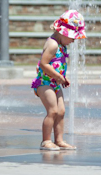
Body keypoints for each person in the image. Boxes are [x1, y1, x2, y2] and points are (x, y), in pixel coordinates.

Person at [31, 10, 86, 150]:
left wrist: (62, 76)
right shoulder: (53, 44)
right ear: (63, 32)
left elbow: (57, 64)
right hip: (44, 83)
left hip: (54, 83)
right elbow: (44, 64)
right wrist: (58, 76)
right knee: (53, 111)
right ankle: (46, 141)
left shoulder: (61, 45)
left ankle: (59, 140)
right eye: (73, 37)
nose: (74, 40)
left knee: (61, 111)